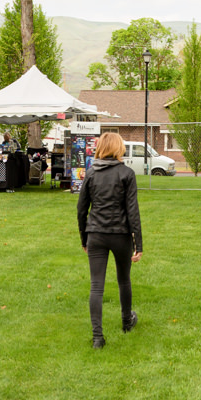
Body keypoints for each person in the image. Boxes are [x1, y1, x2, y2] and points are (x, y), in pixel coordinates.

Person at [76, 131, 145, 345]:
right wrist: (138, 244)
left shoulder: (90, 173)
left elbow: (81, 209)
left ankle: (98, 337)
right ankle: (126, 321)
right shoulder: (126, 173)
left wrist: (84, 238)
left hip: (95, 234)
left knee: (97, 285)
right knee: (124, 279)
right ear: (118, 148)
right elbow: (132, 210)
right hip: (120, 235)